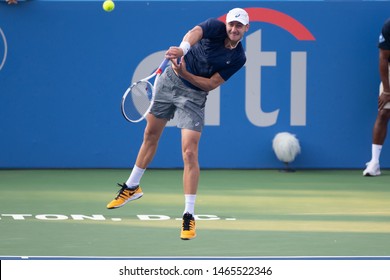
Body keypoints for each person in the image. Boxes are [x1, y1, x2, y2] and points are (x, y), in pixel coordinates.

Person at [106, 8, 250, 239]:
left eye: (239, 26)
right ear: (227, 25)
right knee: (150, 135)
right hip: (167, 82)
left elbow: (211, 84)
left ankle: (188, 216)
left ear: (245, 29)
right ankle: (132, 187)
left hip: (193, 95)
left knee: (189, 152)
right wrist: (183, 50)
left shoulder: (238, 57)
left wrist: (186, 74)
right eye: (231, 24)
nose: (233, 29)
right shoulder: (214, 26)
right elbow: (194, 32)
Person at [363, 18, 390, 176]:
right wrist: (387, 91)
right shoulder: (389, 26)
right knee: (383, 112)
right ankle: (374, 163)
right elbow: (383, 58)